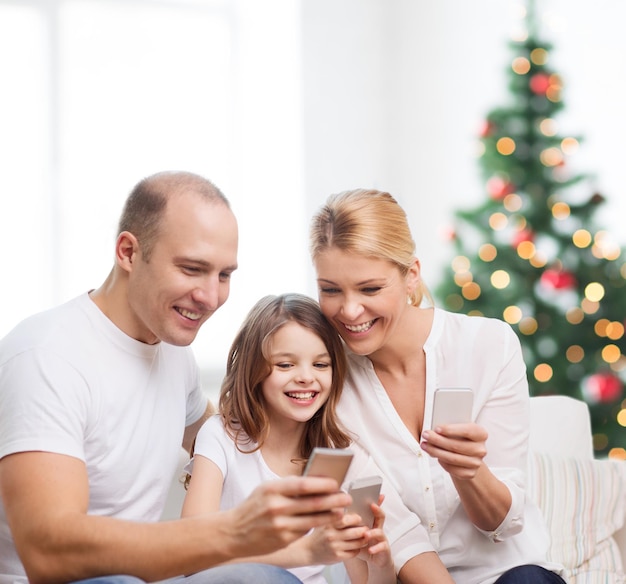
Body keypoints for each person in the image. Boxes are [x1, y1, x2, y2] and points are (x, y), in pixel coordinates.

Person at [0, 171, 351, 584]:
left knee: (265, 577)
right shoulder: (47, 356)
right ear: (129, 252)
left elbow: (223, 432)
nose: (210, 296)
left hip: (143, 579)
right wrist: (236, 531)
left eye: (224, 275)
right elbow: (47, 552)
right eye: (191, 268)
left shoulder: (172, 352)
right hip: (72, 581)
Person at [309, 188, 567, 584]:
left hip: (506, 573)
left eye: (370, 289)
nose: (349, 310)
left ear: (411, 275)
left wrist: (468, 473)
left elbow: (503, 523)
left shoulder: (489, 346)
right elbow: (393, 530)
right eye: (330, 290)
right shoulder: (326, 382)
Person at [182, 293, 395, 584]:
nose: (306, 377)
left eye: (321, 365)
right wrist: (304, 551)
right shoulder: (220, 437)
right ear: (253, 369)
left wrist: (380, 565)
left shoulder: (336, 454)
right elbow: (192, 556)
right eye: (285, 365)